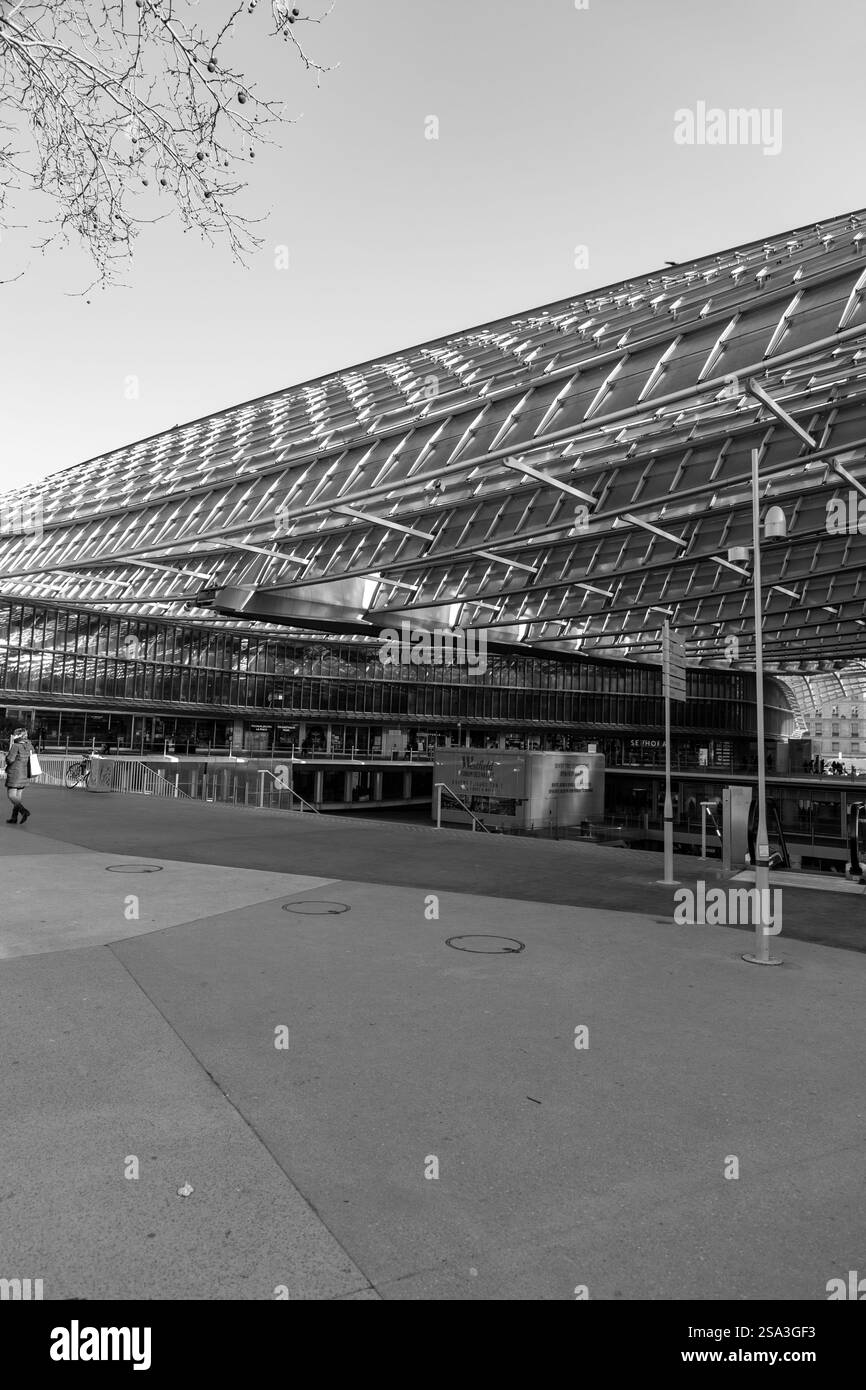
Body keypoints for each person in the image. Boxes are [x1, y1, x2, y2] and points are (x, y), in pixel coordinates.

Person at [5, 726, 34, 824]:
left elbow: (10, 759)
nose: (14, 736)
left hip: (15, 774)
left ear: (20, 735)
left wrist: (7, 757)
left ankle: (24, 811)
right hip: (25, 774)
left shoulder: (16, 746)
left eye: (16, 734)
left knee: (11, 795)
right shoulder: (30, 745)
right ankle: (14, 817)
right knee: (18, 796)